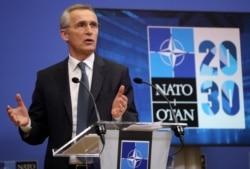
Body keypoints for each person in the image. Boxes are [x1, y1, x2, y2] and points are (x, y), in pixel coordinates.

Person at [6, 3, 138, 169]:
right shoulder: (47, 78)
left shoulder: (117, 73)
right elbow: (37, 136)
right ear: (64, 34)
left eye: (94, 25)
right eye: (81, 25)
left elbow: (132, 124)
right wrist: (26, 125)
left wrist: (117, 117)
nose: (89, 31)